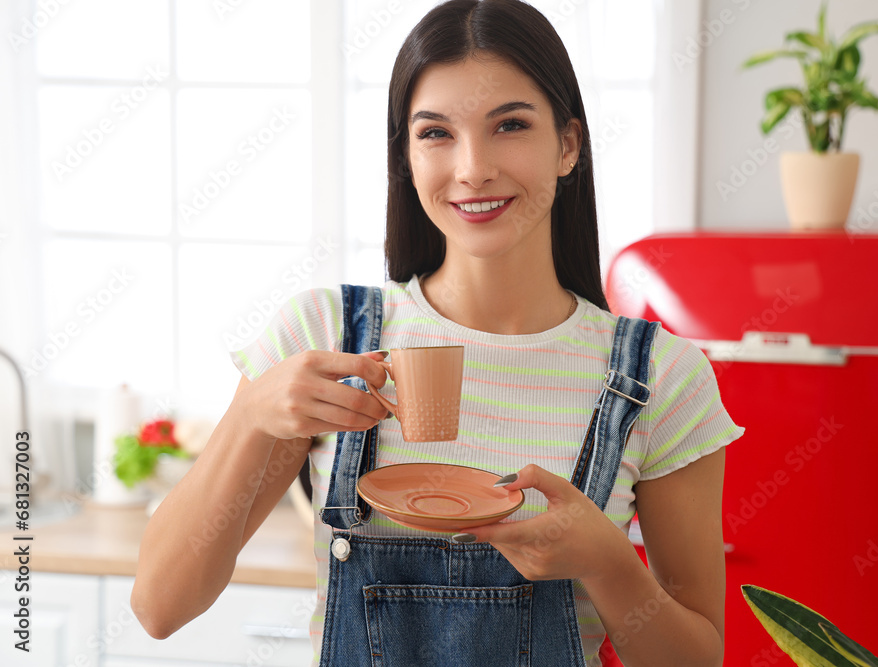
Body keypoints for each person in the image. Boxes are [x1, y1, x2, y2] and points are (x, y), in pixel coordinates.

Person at [131, 1, 744, 665]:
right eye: (435, 133)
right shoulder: (324, 333)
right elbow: (161, 605)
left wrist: (610, 563)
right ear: (405, 155)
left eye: (509, 124)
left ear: (569, 144)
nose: (473, 167)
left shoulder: (660, 377)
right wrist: (252, 415)